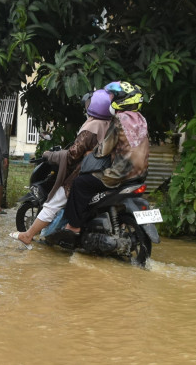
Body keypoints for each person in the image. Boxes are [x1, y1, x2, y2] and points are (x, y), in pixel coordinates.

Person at [11, 90, 113, 248]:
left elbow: (73, 155)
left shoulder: (92, 127)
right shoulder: (112, 125)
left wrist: (52, 155)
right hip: (108, 173)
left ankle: (28, 235)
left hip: (85, 173)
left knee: (53, 202)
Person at [57, 83, 149, 248]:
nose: (111, 99)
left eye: (114, 96)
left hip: (119, 175)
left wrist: (90, 153)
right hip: (140, 175)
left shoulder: (119, 119)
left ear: (122, 100)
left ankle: (74, 226)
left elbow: (103, 150)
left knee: (80, 183)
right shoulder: (141, 119)